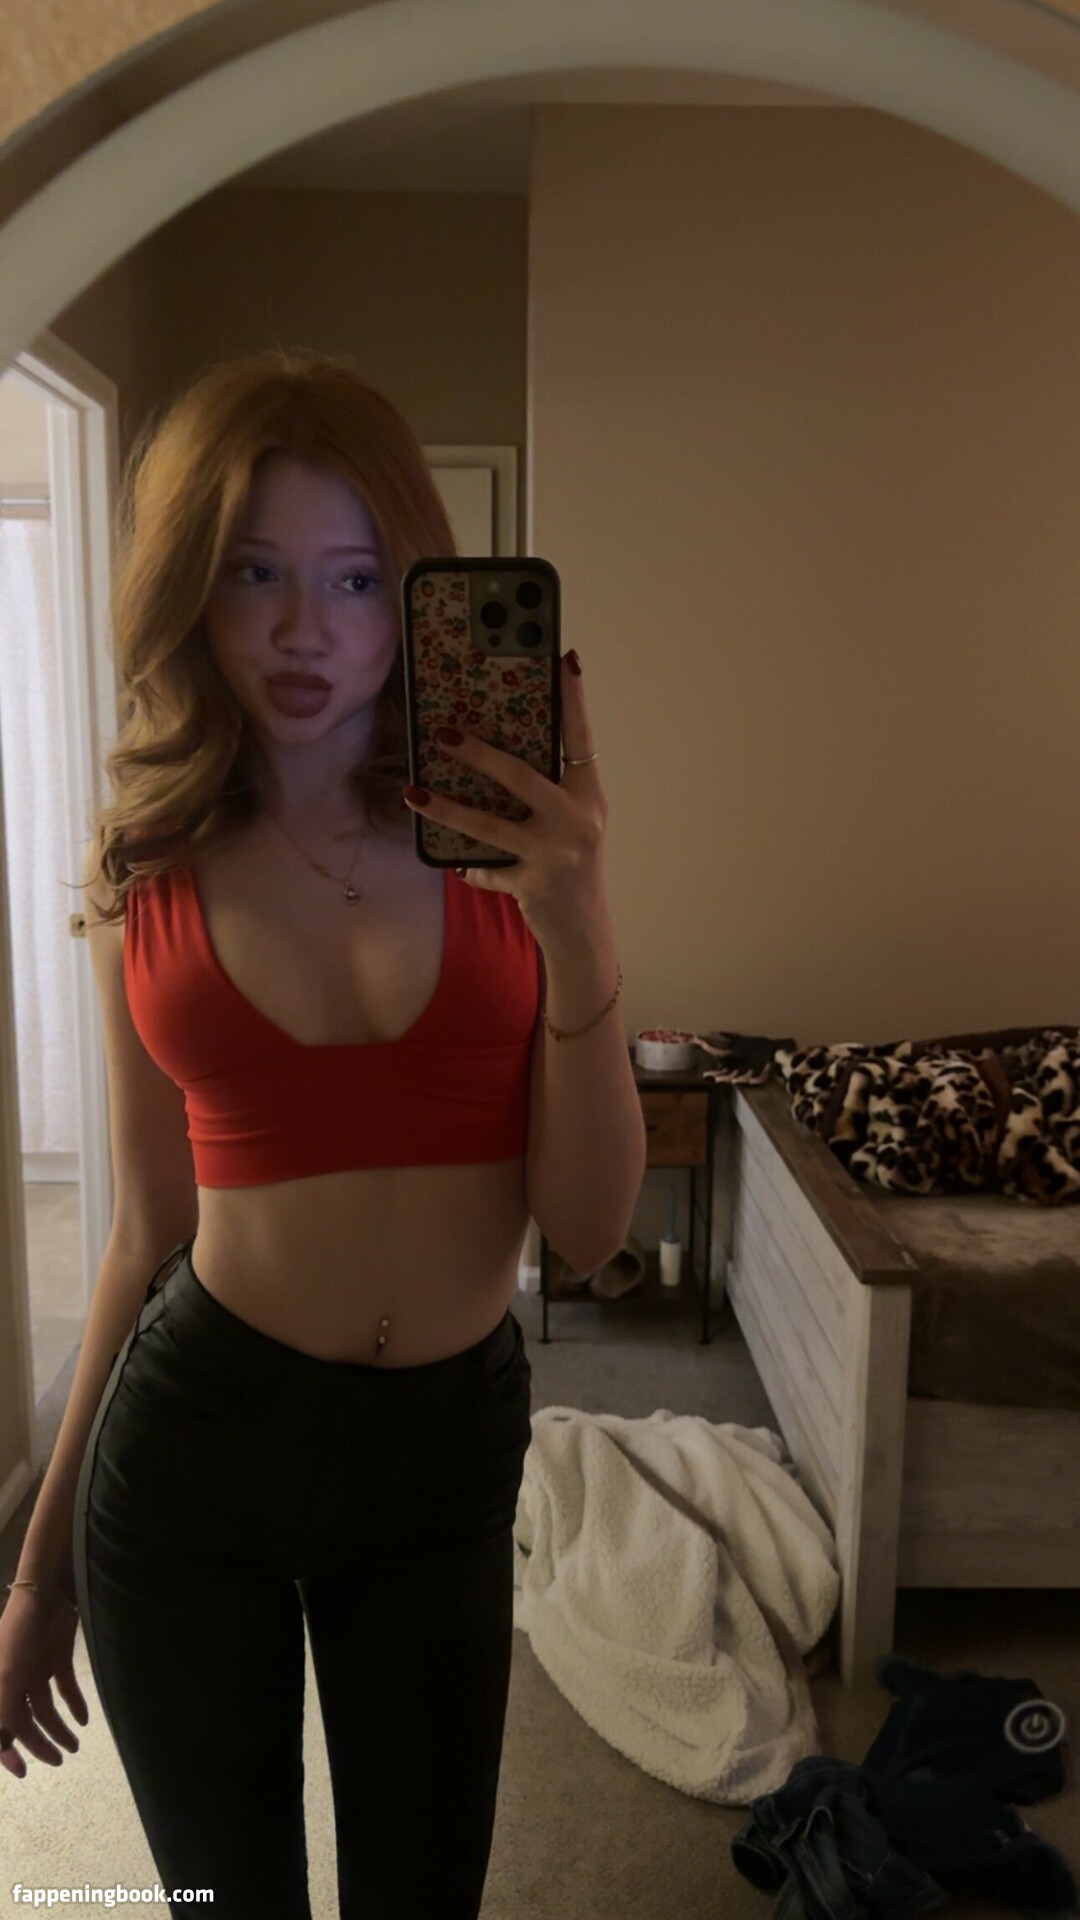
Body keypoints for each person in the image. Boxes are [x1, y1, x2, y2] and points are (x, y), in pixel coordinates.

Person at [0, 347, 647, 1918]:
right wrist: (36, 1565)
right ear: (192, 588)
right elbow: (144, 1234)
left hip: (442, 1460)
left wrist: (580, 927)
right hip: (197, 1448)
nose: (306, 629)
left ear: (417, 591)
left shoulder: (511, 849)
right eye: (255, 572)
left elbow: (591, 1229)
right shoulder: (147, 866)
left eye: (355, 578)